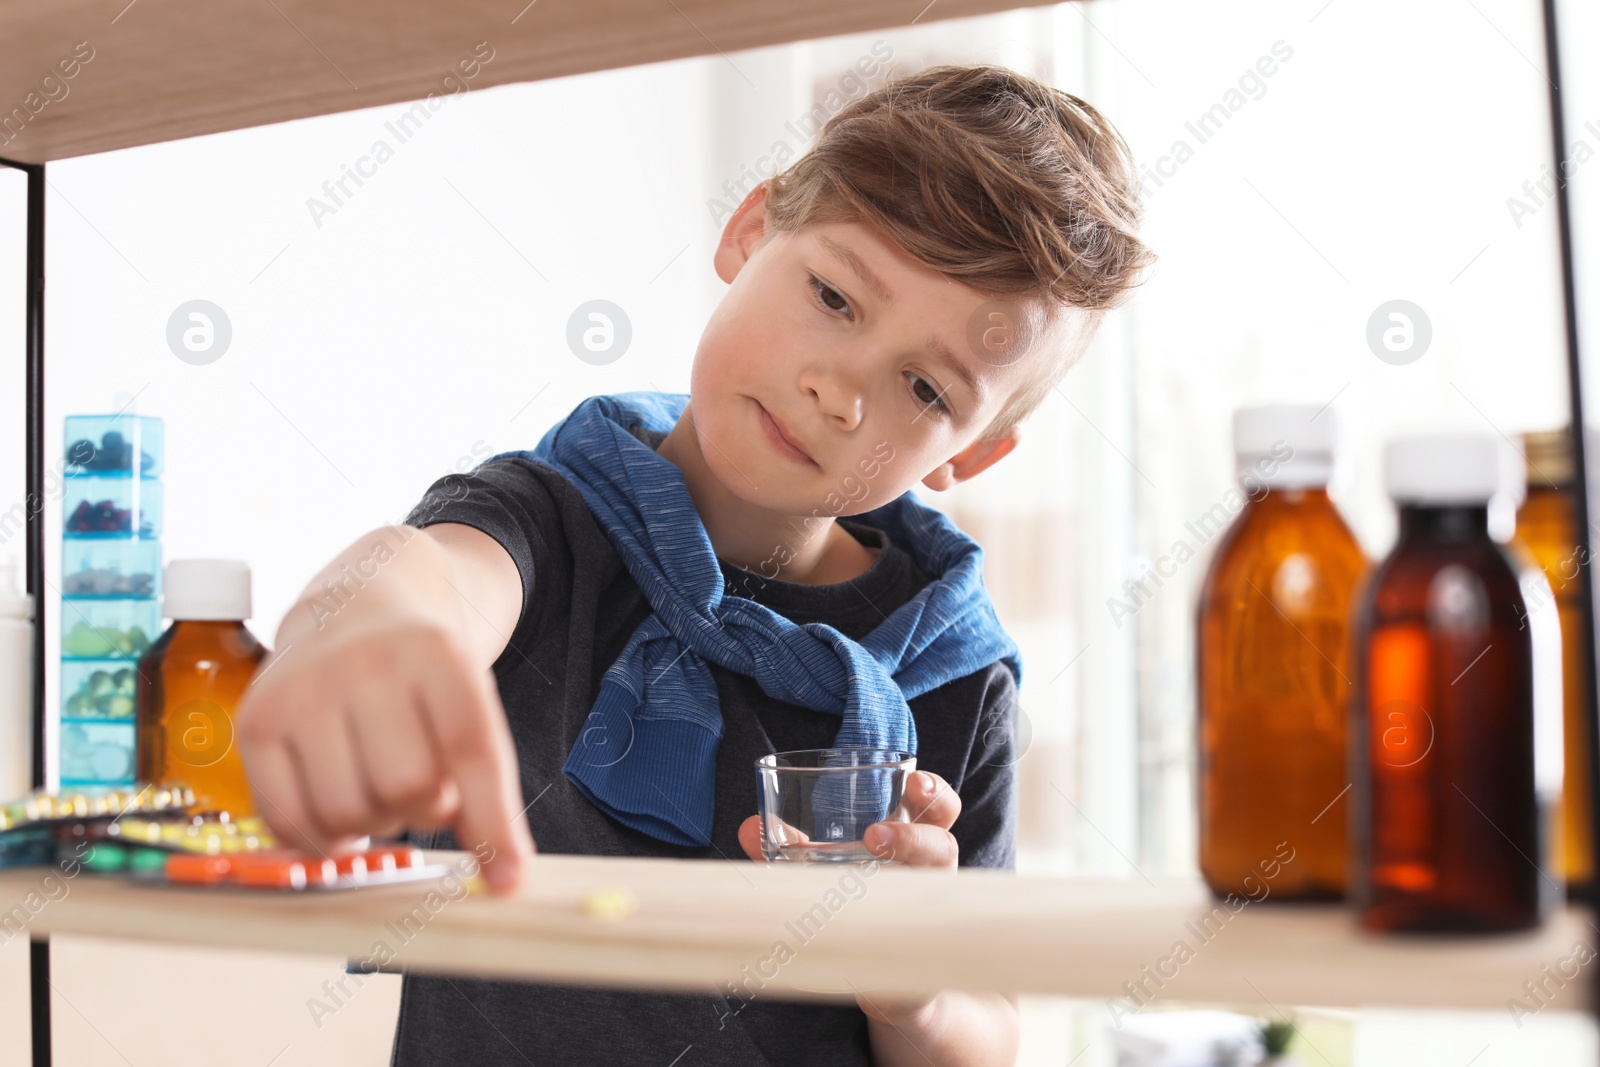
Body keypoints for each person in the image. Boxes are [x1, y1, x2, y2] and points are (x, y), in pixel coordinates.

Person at [235, 62, 1154, 1067]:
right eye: (835, 296)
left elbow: (984, 1032)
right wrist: (364, 608)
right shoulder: (546, 523)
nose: (838, 390)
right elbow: (431, 578)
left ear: (966, 454)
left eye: (925, 386)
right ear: (748, 231)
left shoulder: (955, 670)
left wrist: (915, 989)